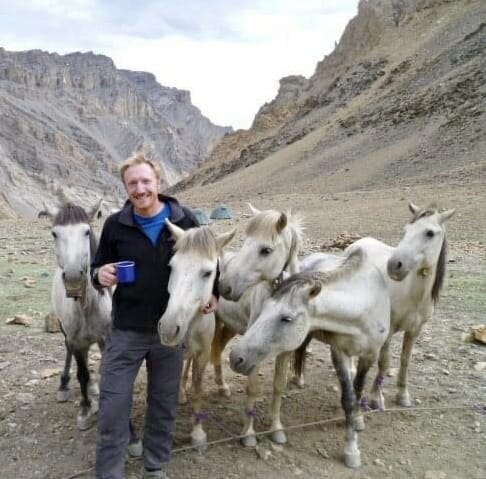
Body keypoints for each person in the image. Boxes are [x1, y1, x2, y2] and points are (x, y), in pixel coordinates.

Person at [91, 152, 218, 479]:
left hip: (171, 333)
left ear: (158, 182)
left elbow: (210, 265)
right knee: (113, 405)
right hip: (126, 330)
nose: (140, 188)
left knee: (163, 405)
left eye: (146, 180)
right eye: (132, 182)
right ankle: (110, 472)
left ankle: (155, 465)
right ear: (126, 187)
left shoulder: (186, 219)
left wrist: (212, 295)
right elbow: (98, 266)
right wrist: (99, 275)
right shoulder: (116, 225)